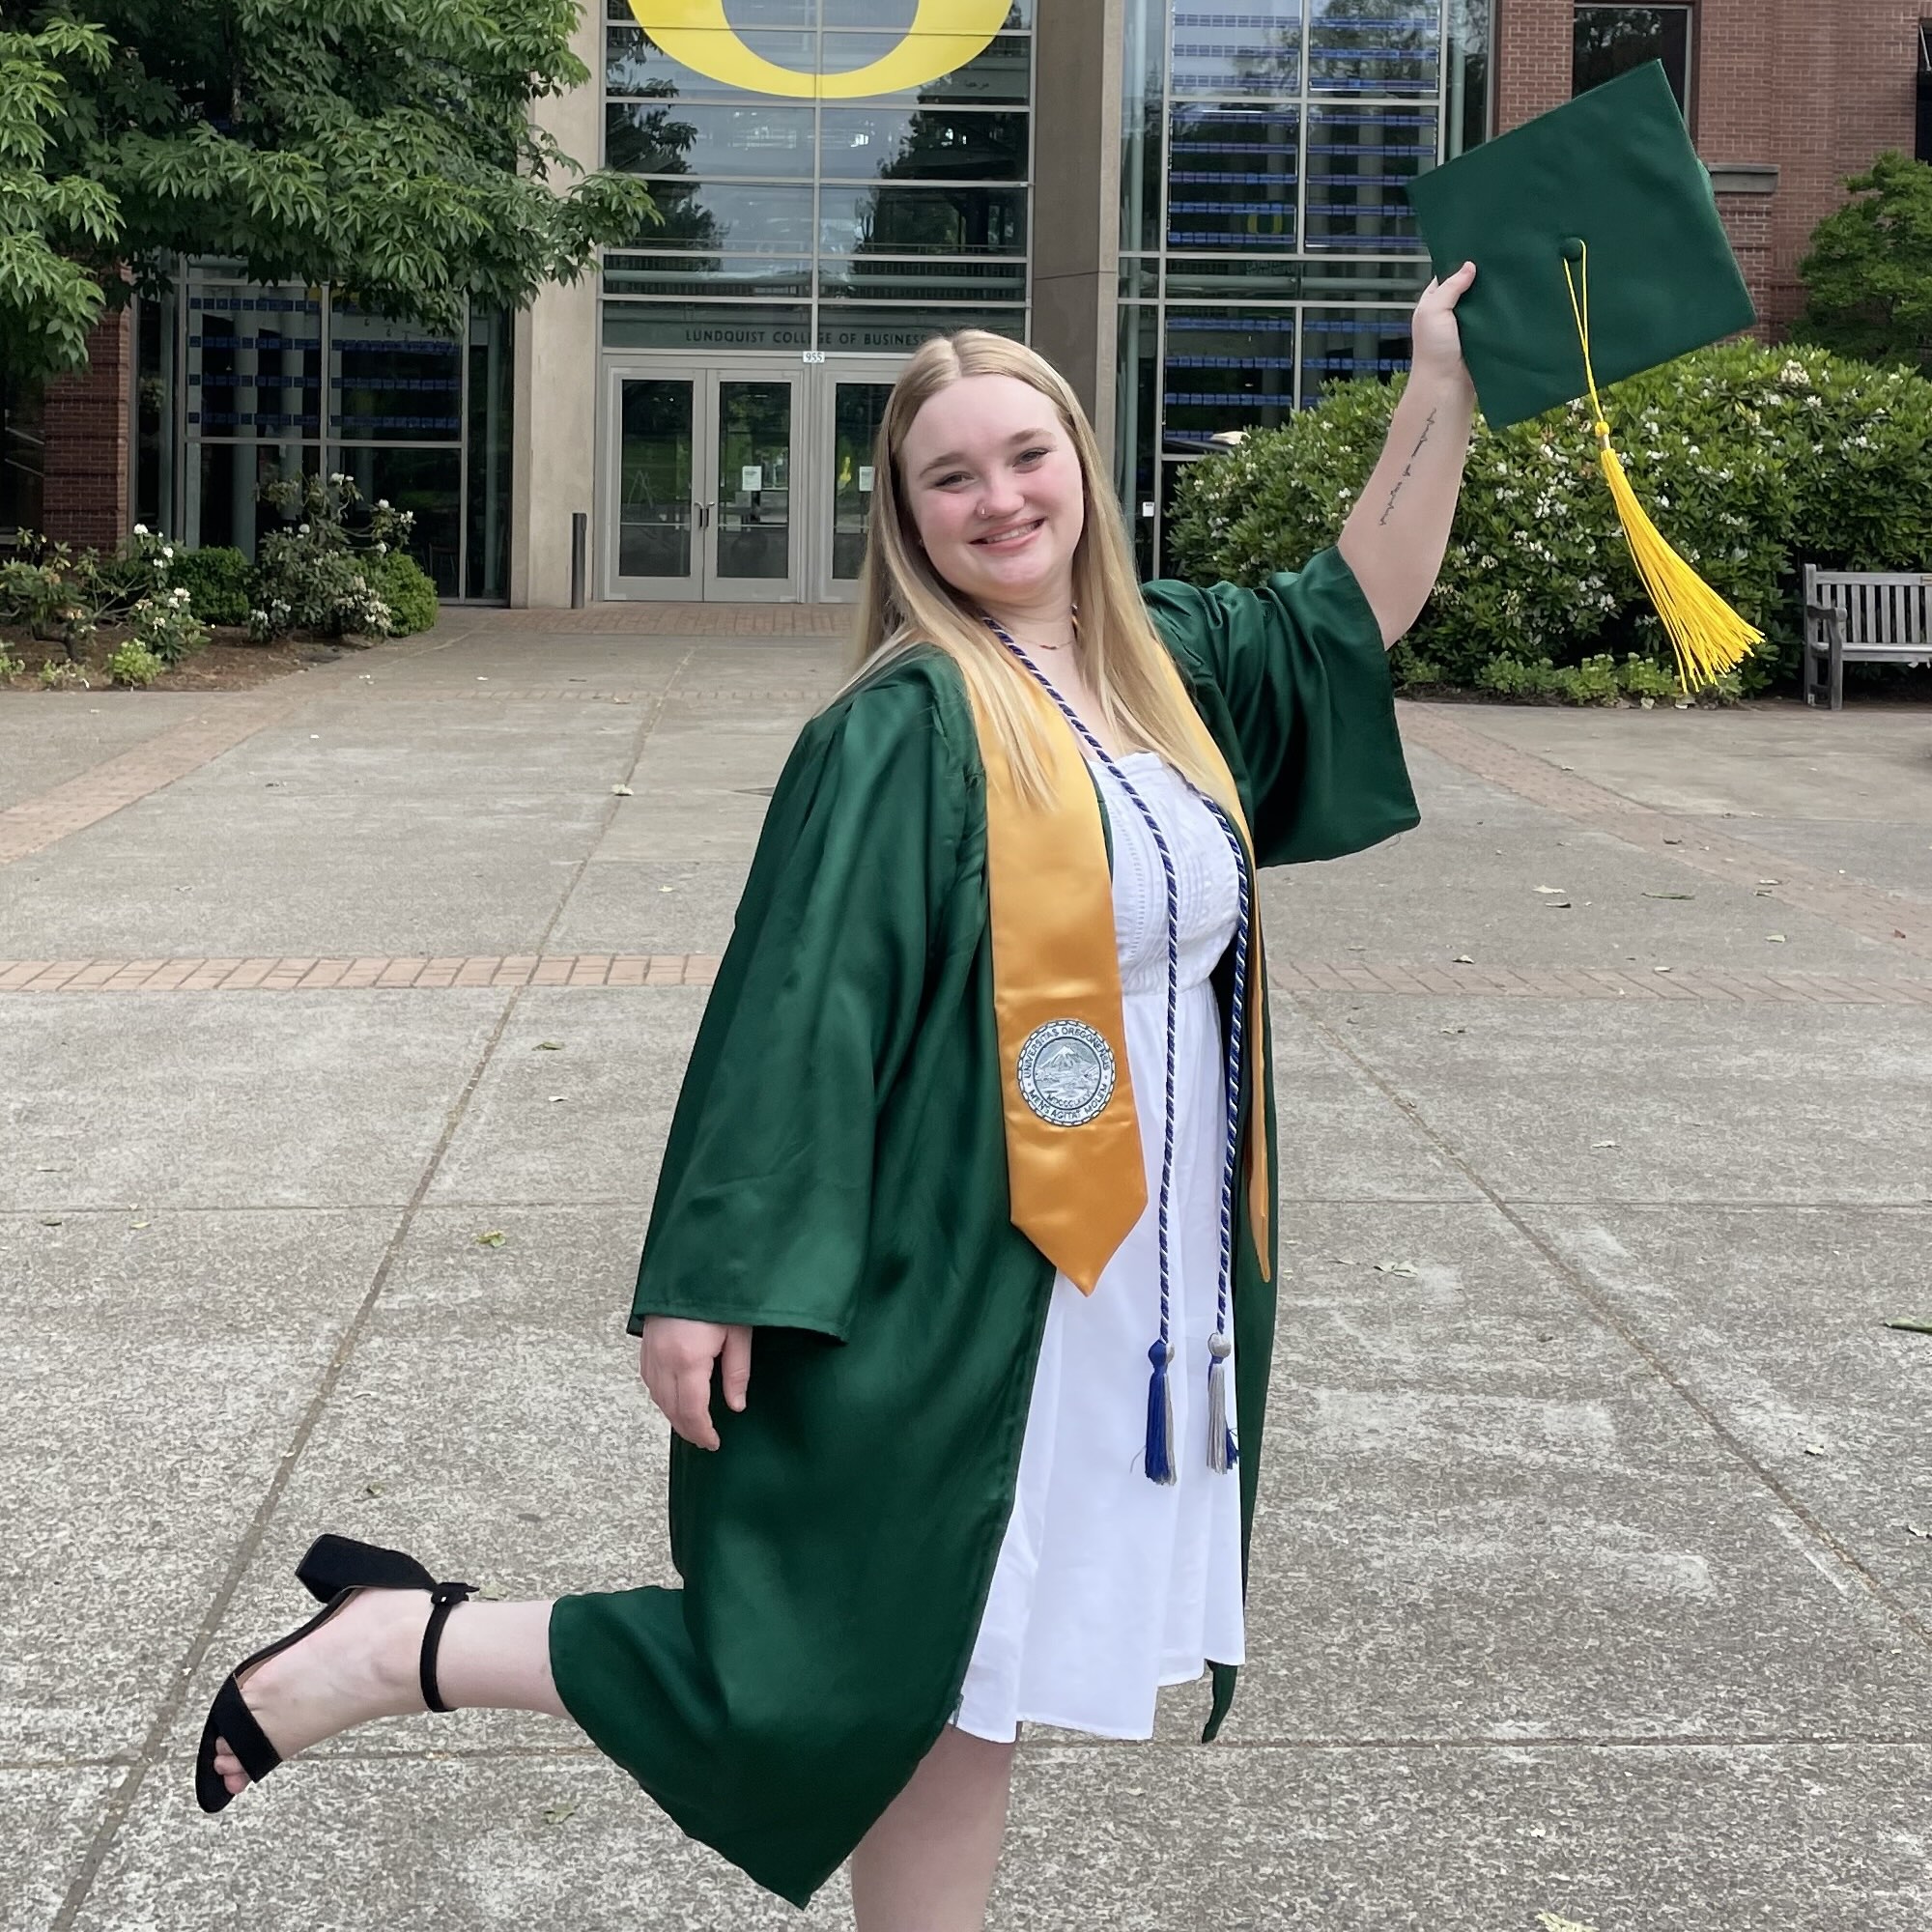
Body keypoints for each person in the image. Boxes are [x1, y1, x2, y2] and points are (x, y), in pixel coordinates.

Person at [197, 265, 1478, 1928]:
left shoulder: (1177, 665)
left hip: (1143, 1287)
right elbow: (801, 1003)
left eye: (1025, 455)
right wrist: (717, 1273)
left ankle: (414, 1644)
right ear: (906, 515)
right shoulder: (905, 727)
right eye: (951, 476)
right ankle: (405, 1644)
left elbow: (1365, 593)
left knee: (971, 1677)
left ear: (1083, 461)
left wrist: (1437, 378)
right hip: (964, 1257)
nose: (999, 498)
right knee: (856, 1655)